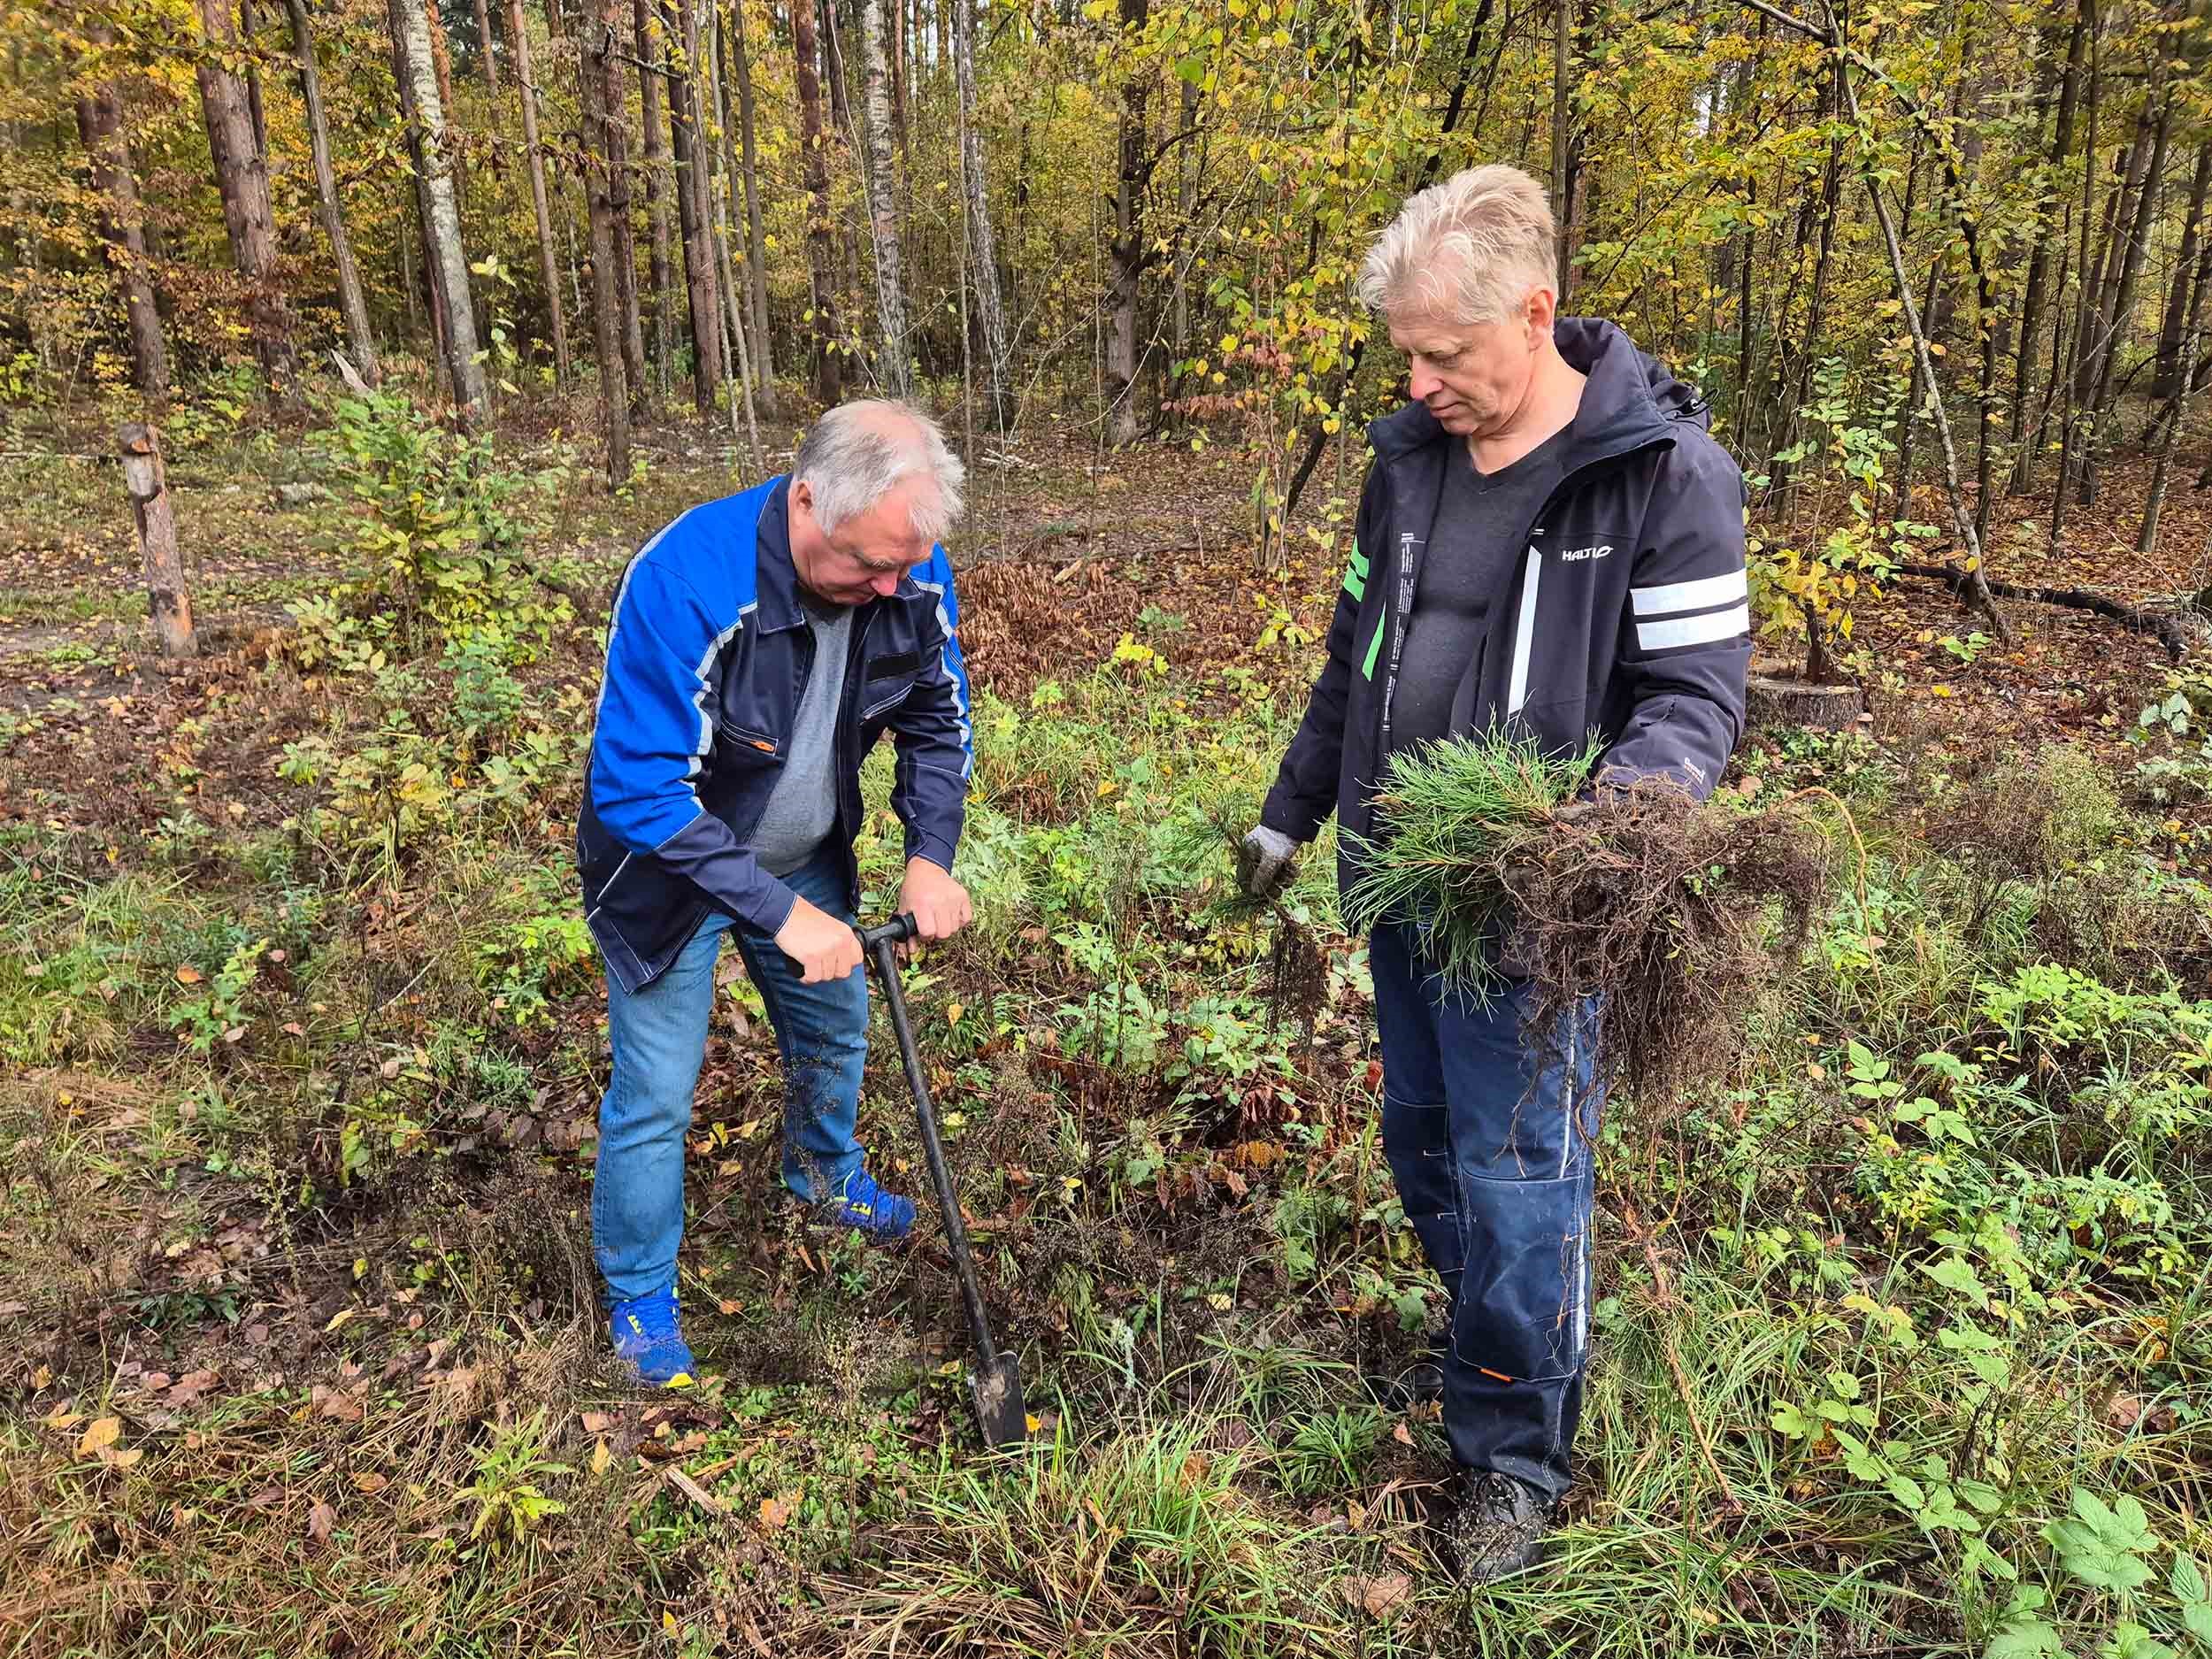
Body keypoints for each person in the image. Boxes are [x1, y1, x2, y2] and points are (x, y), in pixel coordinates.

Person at [1237, 165, 1749, 1581]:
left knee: (1524, 1178)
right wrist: (1290, 815)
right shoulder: (1404, 465)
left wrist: (1603, 843)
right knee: (1424, 1145)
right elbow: (1357, 658)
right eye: (1406, 349)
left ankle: (1514, 1452)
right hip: (1399, 888)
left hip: (1537, 912)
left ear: (1535, 315)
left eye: (1445, 352)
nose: (1419, 377)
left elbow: (1695, 699)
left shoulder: (1661, 477)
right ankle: (1495, 1350)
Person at [576, 399, 976, 1389]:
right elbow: (634, 787)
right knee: (656, 1098)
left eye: (905, 563)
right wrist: (780, 914)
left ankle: (820, 1173)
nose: (891, 584)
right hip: (671, 877)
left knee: (835, 1025)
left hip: (803, 853)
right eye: (867, 565)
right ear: (805, 500)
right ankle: (639, 1295)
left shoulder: (909, 561)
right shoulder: (688, 581)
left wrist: (932, 853)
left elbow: (936, 718)